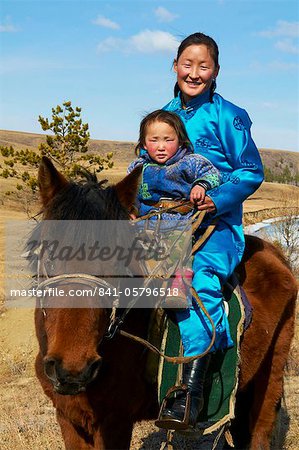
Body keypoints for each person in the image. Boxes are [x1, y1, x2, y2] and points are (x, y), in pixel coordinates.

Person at [150, 32, 264, 431]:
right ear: (175, 65)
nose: (194, 72)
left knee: (194, 280)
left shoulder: (229, 115)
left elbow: (251, 170)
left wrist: (216, 198)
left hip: (215, 224)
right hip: (166, 222)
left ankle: (191, 393)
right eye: (187, 63)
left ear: (215, 71)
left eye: (204, 65)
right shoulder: (163, 114)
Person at [128, 109, 221, 307]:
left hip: (179, 220)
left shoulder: (191, 161)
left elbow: (213, 174)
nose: (161, 147)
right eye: (154, 140)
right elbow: (131, 193)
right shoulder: (138, 167)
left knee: (180, 246)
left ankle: (180, 284)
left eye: (168, 140)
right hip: (146, 221)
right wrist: (130, 211)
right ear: (144, 143)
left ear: (180, 140)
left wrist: (200, 185)